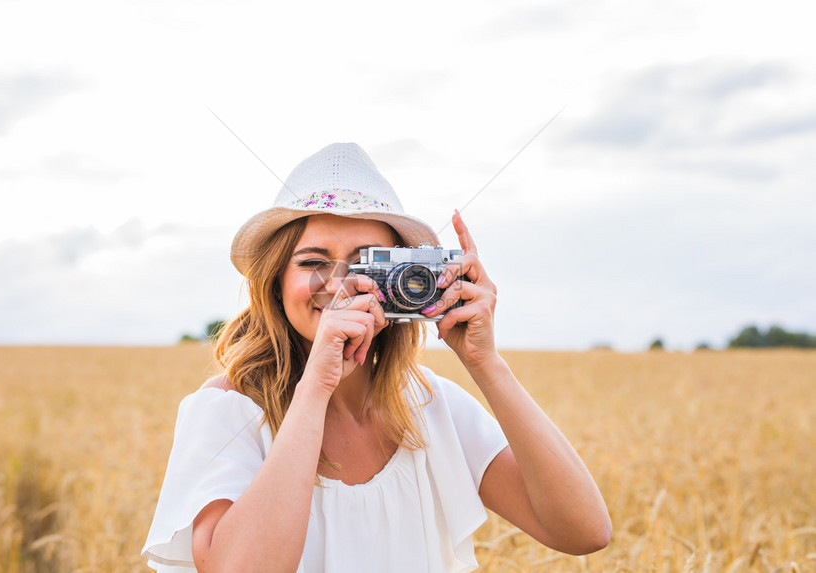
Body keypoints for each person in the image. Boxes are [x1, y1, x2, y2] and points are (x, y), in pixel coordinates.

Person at [142, 143, 611, 573]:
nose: (341, 283)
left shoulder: (430, 405)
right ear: (276, 283)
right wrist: (315, 387)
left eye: (368, 262)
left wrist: (485, 363)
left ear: (406, 282)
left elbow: (584, 531)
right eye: (313, 262)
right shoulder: (227, 412)